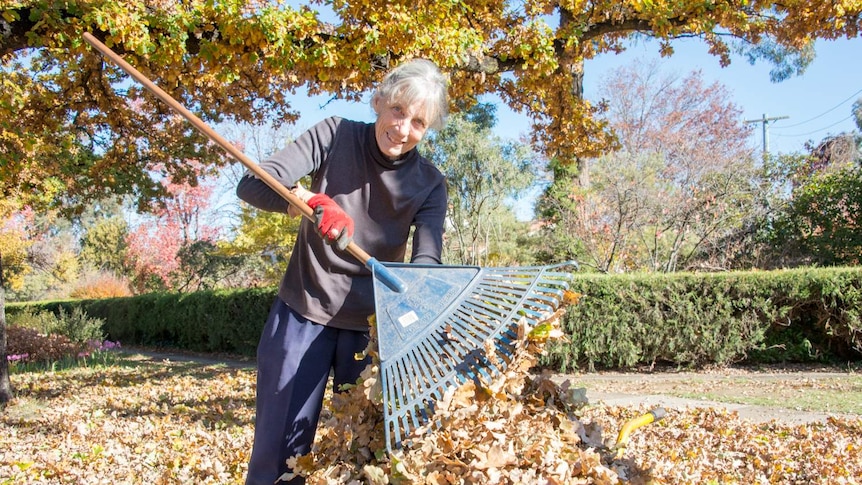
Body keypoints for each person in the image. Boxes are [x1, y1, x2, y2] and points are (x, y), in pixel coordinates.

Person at [236, 58, 450, 485]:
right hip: (302, 315)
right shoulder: (334, 134)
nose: (403, 129)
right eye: (398, 111)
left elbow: (427, 260)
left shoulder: (430, 184)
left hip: (371, 336)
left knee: (363, 459)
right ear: (380, 100)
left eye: (419, 122)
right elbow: (255, 183)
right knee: (278, 459)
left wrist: (416, 292)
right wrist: (311, 202)